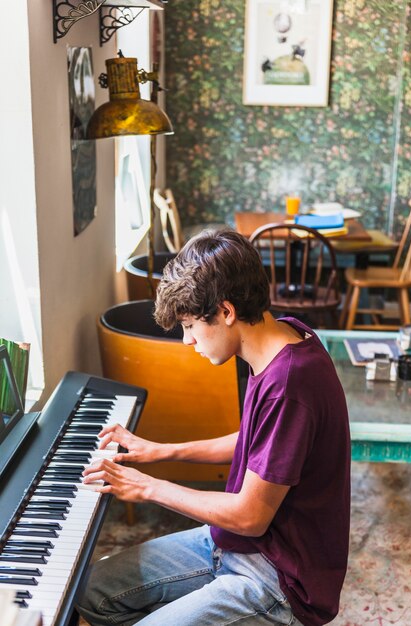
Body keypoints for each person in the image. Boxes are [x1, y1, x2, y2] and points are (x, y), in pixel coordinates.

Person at [77, 229, 351, 626]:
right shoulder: (284, 335)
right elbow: (259, 442)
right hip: (235, 544)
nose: (188, 341)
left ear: (225, 312)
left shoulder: (290, 384)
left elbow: (248, 516)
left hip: (279, 577)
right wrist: (162, 451)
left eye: (190, 325)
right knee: (90, 590)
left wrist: (148, 486)